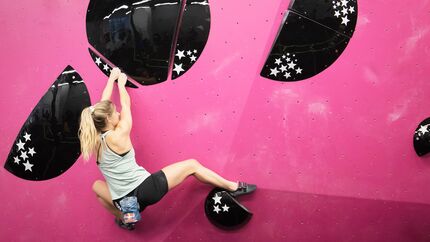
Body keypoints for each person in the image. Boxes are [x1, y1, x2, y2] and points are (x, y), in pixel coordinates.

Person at [78, 68, 256, 230]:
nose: (118, 113)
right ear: (108, 119)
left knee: (96, 187)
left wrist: (112, 79)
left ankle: (127, 219)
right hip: (145, 190)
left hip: (124, 201)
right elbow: (125, 105)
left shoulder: (93, 139)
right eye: (114, 113)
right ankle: (234, 187)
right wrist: (122, 85)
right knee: (192, 165)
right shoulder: (120, 134)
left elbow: (102, 105)